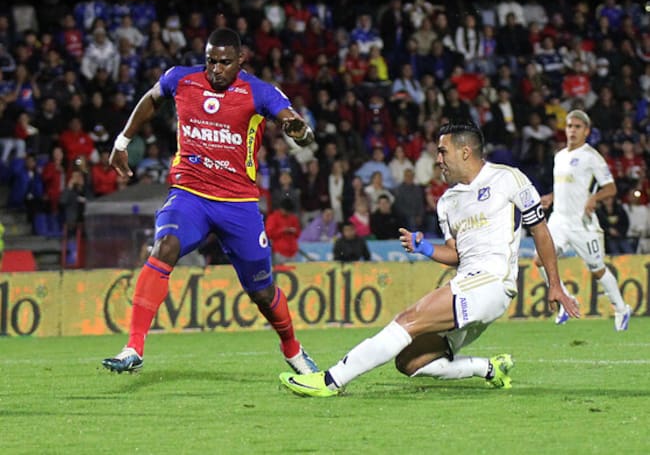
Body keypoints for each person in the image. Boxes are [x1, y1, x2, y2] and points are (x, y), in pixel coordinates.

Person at [279, 120, 579, 397]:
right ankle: (489, 368)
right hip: (469, 282)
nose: (438, 159)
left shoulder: (509, 178)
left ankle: (330, 381)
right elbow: (456, 254)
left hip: (492, 283)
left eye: (442, 151)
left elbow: (540, 230)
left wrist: (555, 284)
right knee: (410, 362)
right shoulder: (447, 202)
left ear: (465, 151)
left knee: (408, 319)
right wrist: (424, 248)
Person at [102, 28, 319, 375]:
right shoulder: (181, 79)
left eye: (224, 62)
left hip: (238, 204)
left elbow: (297, 127)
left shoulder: (259, 91)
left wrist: (301, 133)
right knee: (165, 246)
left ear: (241, 59)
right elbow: (151, 99)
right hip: (190, 195)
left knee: (262, 293)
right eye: (211, 61)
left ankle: (292, 349)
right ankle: (133, 347)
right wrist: (122, 142)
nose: (216, 69)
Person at [533, 109, 632, 331]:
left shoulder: (592, 157)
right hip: (559, 220)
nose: (572, 130)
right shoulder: (559, 156)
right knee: (540, 260)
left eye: (577, 127)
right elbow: (567, 188)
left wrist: (594, 198)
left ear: (586, 131)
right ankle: (565, 300)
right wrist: (551, 197)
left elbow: (611, 188)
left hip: (581, 223)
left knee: (597, 270)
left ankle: (621, 308)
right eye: (569, 126)